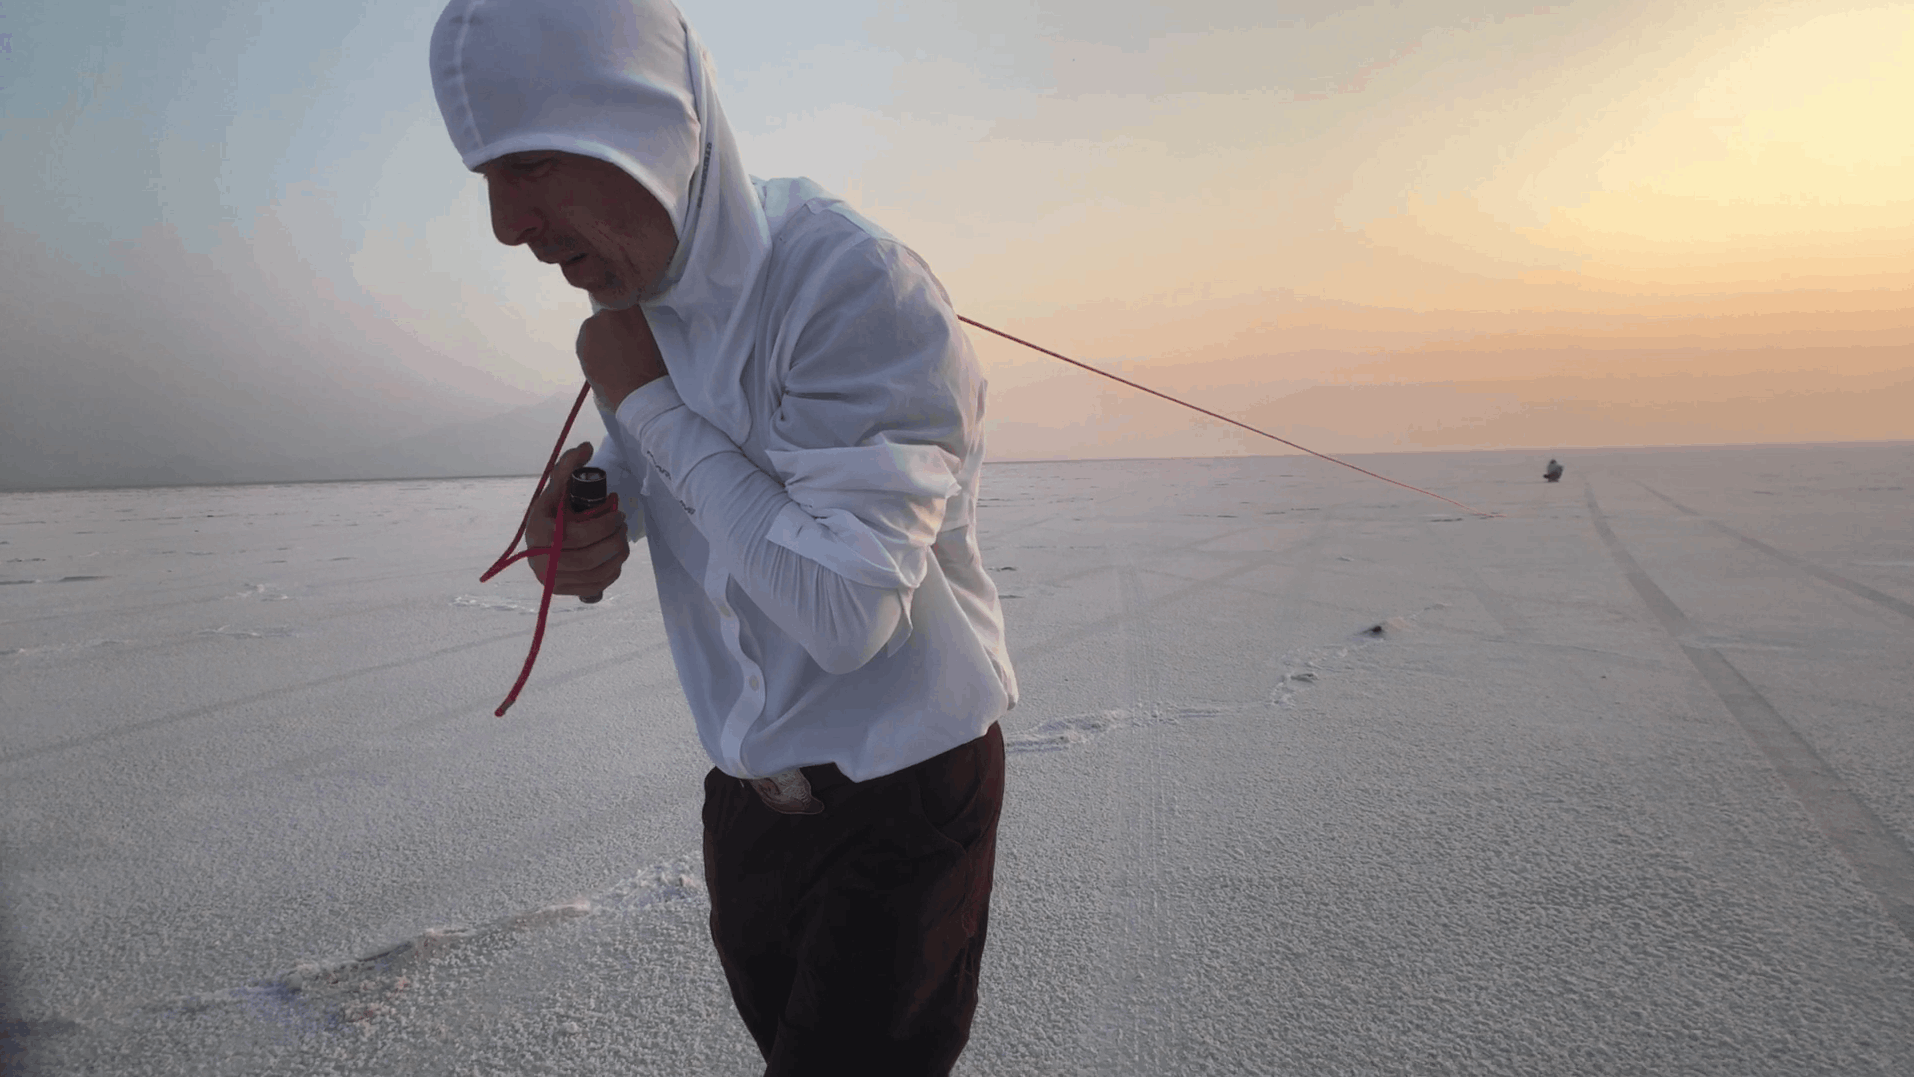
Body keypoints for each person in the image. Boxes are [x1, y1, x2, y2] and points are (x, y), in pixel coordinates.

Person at [428, 1, 1017, 1073]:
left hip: (900, 789)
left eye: (532, 162)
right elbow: (673, 498)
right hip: (746, 799)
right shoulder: (641, 313)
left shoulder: (849, 287)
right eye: (485, 177)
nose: (510, 226)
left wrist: (647, 404)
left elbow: (847, 616)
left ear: (648, 125)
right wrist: (586, 522)